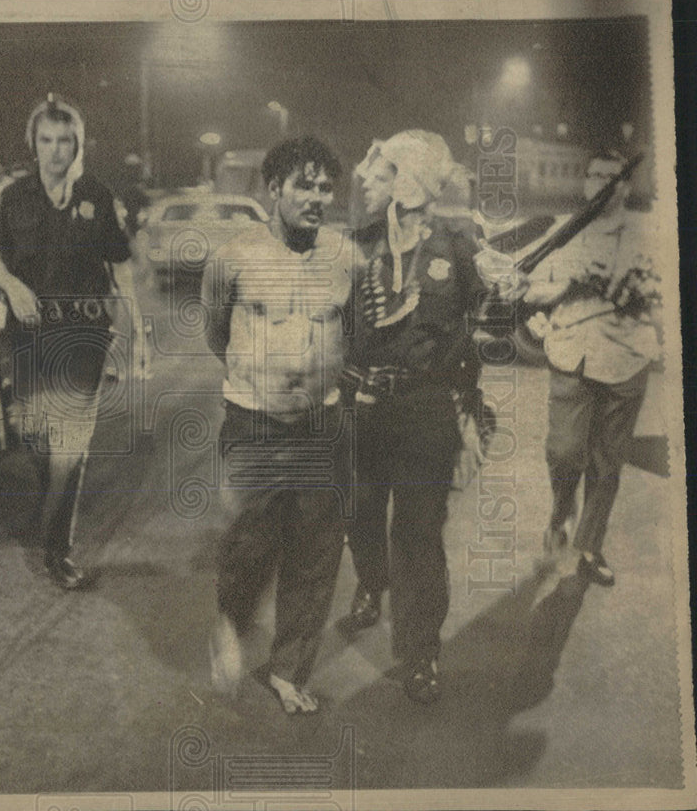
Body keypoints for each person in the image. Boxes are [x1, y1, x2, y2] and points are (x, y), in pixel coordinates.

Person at [343, 130, 520, 704]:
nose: (375, 182)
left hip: (426, 412)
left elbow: (495, 322)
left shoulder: (458, 245)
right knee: (362, 513)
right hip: (364, 408)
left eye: (387, 171)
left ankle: (420, 653)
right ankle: (373, 581)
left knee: (418, 535)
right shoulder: (361, 243)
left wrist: (508, 295)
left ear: (412, 180)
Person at [202, 136, 360, 715]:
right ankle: (231, 621)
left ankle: (289, 669)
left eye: (326, 187)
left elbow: (355, 333)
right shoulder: (234, 257)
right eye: (305, 185)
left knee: (317, 550)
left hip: (322, 424)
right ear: (275, 189)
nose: (318, 197)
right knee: (249, 541)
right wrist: (257, 381)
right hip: (255, 423)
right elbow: (216, 333)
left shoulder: (345, 257)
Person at [0, 94, 139, 590]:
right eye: (46, 140)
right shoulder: (14, 198)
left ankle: (57, 551)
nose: (55, 150)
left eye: (64, 141)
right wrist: (11, 285)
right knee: (34, 438)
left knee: (71, 443)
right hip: (28, 333)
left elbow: (122, 265)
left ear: (78, 144)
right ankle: (49, 506)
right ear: (33, 144)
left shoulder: (97, 195)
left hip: (84, 332)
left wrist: (139, 329)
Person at [523, 150, 661, 586]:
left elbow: (662, 297)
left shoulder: (647, 234)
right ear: (586, 185)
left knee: (607, 463)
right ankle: (562, 512)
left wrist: (630, 289)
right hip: (571, 354)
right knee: (563, 451)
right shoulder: (565, 230)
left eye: (612, 177)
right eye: (595, 175)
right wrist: (564, 284)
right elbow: (527, 288)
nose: (602, 184)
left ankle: (589, 546)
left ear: (623, 187)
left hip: (626, 358)